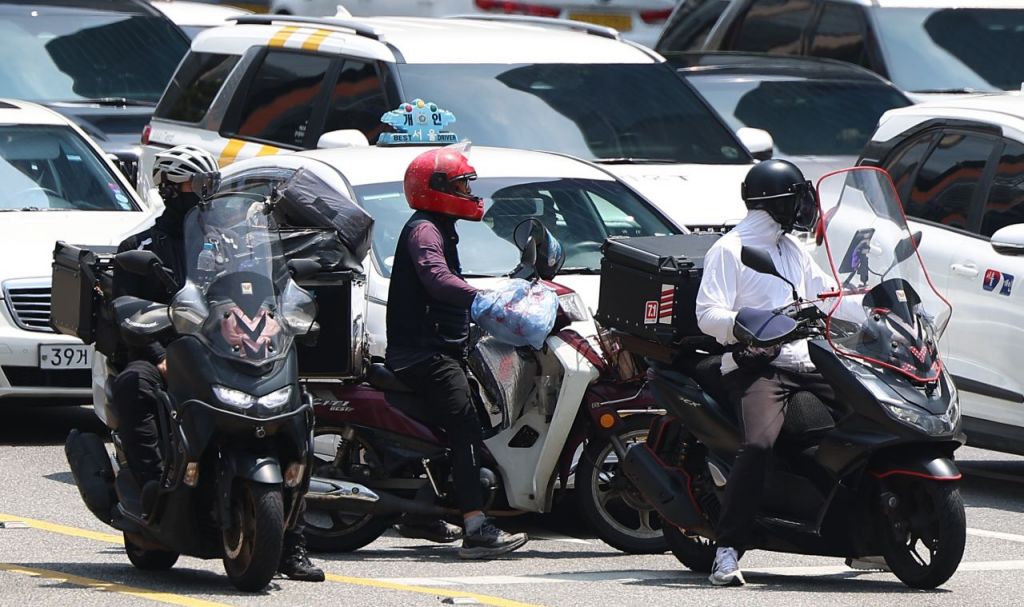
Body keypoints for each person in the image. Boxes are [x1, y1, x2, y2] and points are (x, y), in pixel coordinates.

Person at [111, 145, 324, 582]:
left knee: (296, 404)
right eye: (197, 183)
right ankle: (152, 488)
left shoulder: (230, 243)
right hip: (168, 351)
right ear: (171, 188)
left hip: (225, 351)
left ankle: (292, 544)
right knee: (135, 383)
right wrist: (161, 357)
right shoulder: (139, 247)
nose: (205, 191)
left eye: (210, 182)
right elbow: (126, 315)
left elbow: (260, 287)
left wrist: (275, 319)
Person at [695, 159, 836, 586]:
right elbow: (707, 315)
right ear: (775, 202)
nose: (805, 207)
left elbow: (826, 293)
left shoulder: (791, 249)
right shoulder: (730, 250)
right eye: (798, 198)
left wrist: (872, 305)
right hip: (758, 365)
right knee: (758, 445)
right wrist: (750, 325)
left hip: (807, 359)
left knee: (869, 416)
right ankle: (727, 550)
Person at [386, 146, 529, 560]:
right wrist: (480, 298)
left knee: (464, 423)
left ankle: (420, 513)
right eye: (462, 185)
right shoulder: (424, 231)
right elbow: (435, 277)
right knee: (465, 426)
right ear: (437, 188)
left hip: (439, 348)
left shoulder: (441, 226)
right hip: (423, 354)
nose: (469, 192)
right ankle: (476, 526)